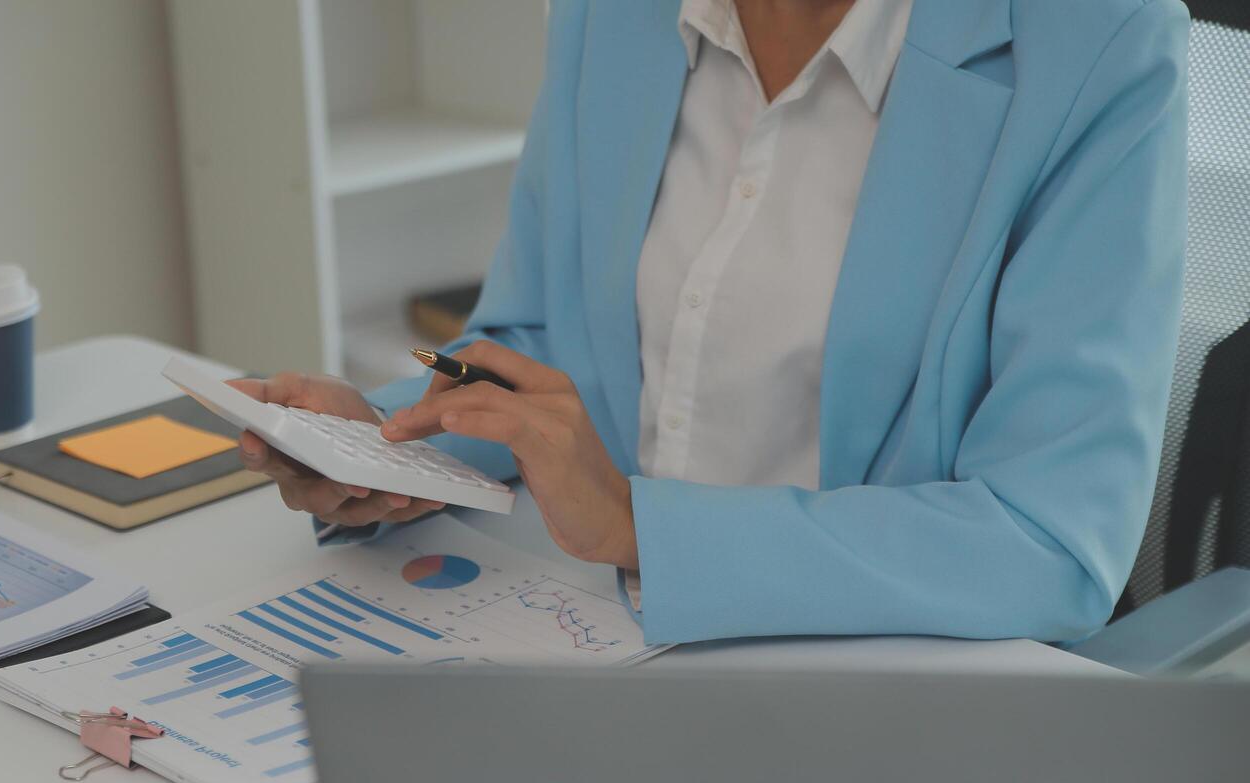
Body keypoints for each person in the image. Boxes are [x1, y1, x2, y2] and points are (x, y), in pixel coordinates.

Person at [233, 0, 1189, 645]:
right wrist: (388, 447)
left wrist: (639, 530)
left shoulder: (1099, 43)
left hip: (883, 693)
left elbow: (1049, 540)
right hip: (602, 643)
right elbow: (539, 342)